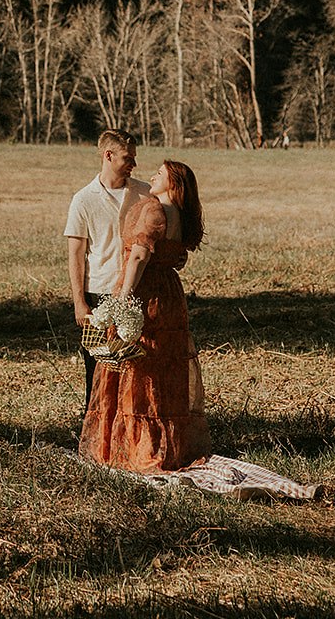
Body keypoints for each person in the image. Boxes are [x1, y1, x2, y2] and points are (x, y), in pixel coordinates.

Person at [79, 158, 212, 473]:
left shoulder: (154, 210)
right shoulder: (180, 215)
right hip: (170, 296)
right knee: (166, 367)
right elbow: (175, 257)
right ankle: (170, 445)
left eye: (160, 174)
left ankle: (139, 447)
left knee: (138, 369)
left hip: (146, 293)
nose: (152, 175)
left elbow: (139, 254)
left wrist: (122, 298)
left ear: (173, 184)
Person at [64, 130, 150, 413]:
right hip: (98, 292)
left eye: (134, 158)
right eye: (128, 158)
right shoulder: (83, 199)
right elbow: (76, 253)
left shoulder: (144, 193)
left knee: (137, 366)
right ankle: (94, 430)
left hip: (137, 291)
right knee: (98, 369)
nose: (133, 164)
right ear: (108, 155)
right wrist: (80, 302)